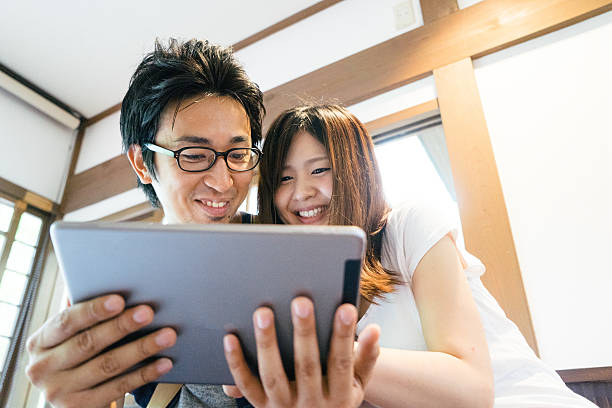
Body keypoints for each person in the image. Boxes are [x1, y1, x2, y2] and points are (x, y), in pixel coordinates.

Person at [25, 40, 380, 408]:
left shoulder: (292, 252)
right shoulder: (116, 282)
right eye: (194, 155)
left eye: (238, 155)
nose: (224, 183)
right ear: (143, 164)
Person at [247, 104, 596, 407]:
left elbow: (472, 389)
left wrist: (329, 358)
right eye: (283, 178)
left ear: (355, 171)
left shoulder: (409, 226)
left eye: (319, 170)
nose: (301, 193)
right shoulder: (310, 294)